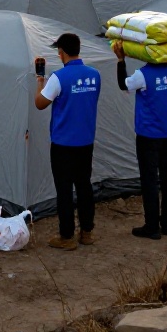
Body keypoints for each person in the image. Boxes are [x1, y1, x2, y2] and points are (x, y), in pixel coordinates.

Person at [35, 33, 101, 249]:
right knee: (84, 186)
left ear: (61, 52)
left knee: (64, 189)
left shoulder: (58, 77)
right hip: (85, 141)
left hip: (63, 144)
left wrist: (40, 82)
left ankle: (66, 237)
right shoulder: (95, 75)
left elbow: (40, 103)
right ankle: (87, 232)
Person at [114, 42, 167, 240]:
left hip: (148, 135)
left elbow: (123, 84)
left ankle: (152, 226)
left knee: (150, 179)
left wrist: (121, 60)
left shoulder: (143, 74)